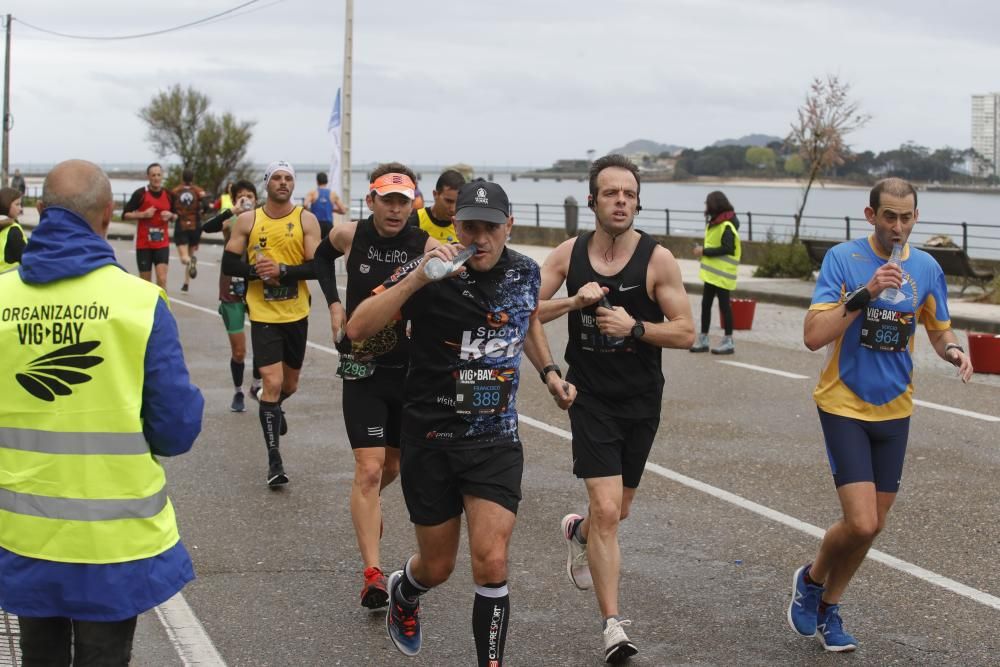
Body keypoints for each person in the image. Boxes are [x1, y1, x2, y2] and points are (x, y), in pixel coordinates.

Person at [345, 180, 575, 666]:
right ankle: (406, 591)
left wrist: (550, 372)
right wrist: (417, 280)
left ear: (509, 227)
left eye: (492, 228)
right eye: (471, 226)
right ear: (455, 225)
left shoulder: (526, 273)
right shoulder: (431, 273)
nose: (481, 238)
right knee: (438, 565)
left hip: (494, 440)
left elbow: (526, 319)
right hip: (429, 438)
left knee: (492, 561)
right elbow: (358, 328)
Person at [0, 159, 203, 666]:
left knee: (38, 657)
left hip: (24, 533)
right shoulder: (137, 303)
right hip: (112, 541)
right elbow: (176, 427)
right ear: (108, 213)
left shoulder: (2, 299)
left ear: (40, 211)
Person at [788, 177, 974, 652]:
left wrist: (953, 350)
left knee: (875, 524)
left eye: (906, 217)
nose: (897, 226)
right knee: (862, 522)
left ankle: (829, 605)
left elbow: (938, 329)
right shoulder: (843, 260)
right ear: (870, 215)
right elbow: (813, 335)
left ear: (916, 218)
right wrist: (866, 292)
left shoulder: (928, 269)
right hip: (843, 402)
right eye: (888, 216)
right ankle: (809, 580)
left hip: (896, 408)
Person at [537, 154, 694, 663]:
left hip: (641, 401)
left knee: (616, 512)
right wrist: (573, 305)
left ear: (637, 201)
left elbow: (687, 332)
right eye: (611, 193)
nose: (620, 201)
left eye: (628, 193)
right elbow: (524, 309)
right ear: (593, 201)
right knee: (606, 508)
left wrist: (637, 329)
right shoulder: (567, 254)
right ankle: (612, 627)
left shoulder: (657, 260)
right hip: (590, 398)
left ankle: (577, 533)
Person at [313, 162, 436, 610]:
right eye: (388, 200)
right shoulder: (350, 235)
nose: (395, 209)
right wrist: (332, 305)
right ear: (372, 201)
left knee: (392, 469)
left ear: (412, 204)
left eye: (404, 201)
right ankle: (373, 574)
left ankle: (364, 508)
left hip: (408, 373)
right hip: (362, 367)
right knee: (368, 469)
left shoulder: (425, 244)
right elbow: (320, 258)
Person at [222, 161, 322, 487]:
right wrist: (255, 271)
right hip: (263, 315)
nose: (283, 182)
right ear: (266, 184)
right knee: (272, 381)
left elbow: (316, 267)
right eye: (277, 177)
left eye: (288, 178)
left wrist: (282, 271)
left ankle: (274, 407)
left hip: (296, 313)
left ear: (294, 184)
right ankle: (274, 461)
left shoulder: (305, 219)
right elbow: (229, 262)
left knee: (288, 386)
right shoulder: (249, 220)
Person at [202, 179, 262, 412]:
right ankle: (238, 391)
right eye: (242, 196)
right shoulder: (230, 221)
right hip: (231, 288)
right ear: (235, 199)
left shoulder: (264, 219)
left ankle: (256, 386)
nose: (247, 199)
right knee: (239, 350)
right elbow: (207, 228)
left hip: (257, 287)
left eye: (251, 195)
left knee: (261, 345)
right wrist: (233, 210)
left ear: (257, 199)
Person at [691, 190, 741, 354]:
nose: (706, 206)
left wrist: (703, 251)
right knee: (706, 305)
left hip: (722, 274)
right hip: (712, 274)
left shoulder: (726, 225)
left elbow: (728, 248)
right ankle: (703, 338)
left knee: (724, 306)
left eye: (707, 203)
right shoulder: (716, 223)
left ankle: (728, 340)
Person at [123, 162, 177, 289]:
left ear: (162, 176)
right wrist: (143, 214)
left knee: (162, 279)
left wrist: (171, 216)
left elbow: (177, 215)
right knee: (145, 284)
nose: (156, 178)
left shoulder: (169, 195)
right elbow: (125, 215)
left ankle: (162, 308)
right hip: (144, 244)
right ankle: (148, 308)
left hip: (162, 243)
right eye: (153, 175)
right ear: (148, 177)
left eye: (159, 175)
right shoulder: (140, 194)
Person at [171, 168, 208, 293]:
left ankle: (189, 262)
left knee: (184, 258)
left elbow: (171, 206)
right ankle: (186, 283)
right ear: (192, 178)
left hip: (181, 224)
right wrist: (202, 212)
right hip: (195, 225)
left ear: (182, 178)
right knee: (191, 254)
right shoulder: (198, 191)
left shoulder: (175, 191)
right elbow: (206, 205)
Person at [406, 168, 466, 243]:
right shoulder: (416, 220)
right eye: (449, 201)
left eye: (458, 202)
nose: (453, 209)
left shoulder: (464, 225)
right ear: (435, 194)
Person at [304, 171, 347, 238]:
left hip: (316, 223)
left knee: (316, 244)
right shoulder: (333, 194)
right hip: (328, 224)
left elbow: (305, 204)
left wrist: (311, 211)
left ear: (317, 181)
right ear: (327, 182)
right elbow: (343, 210)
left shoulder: (313, 193)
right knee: (327, 246)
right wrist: (331, 209)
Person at [0, 186, 25, 272]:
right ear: (6, 204)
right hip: (9, 278)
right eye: (17, 204)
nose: (20, 208)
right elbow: (25, 259)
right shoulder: (13, 229)